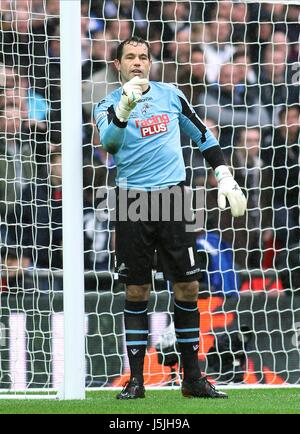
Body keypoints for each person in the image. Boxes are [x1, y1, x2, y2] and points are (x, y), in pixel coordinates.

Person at [94, 37, 246, 400]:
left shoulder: (171, 95)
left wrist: (224, 175)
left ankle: (193, 379)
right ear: (117, 65)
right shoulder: (108, 103)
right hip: (132, 200)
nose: (137, 63)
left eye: (143, 57)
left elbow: (202, 134)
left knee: (189, 287)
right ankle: (136, 380)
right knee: (136, 289)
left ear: (151, 62)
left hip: (174, 198)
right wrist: (125, 109)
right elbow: (110, 143)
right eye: (129, 57)